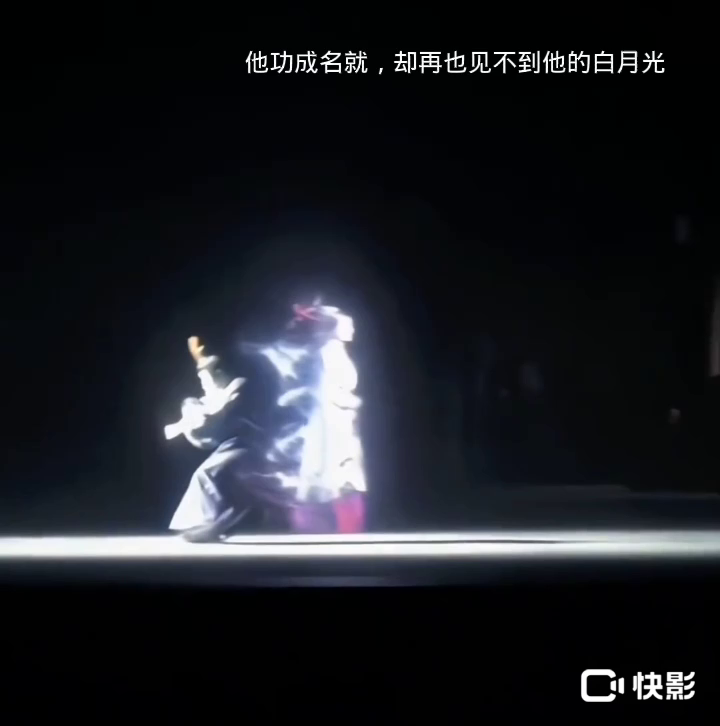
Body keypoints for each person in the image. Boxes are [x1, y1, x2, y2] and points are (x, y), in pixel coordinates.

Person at [165, 299, 367, 541]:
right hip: (260, 442)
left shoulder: (321, 359)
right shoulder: (282, 358)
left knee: (224, 475)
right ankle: (210, 523)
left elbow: (217, 424)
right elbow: (216, 413)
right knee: (221, 475)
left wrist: (197, 420)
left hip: (270, 446)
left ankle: (213, 522)